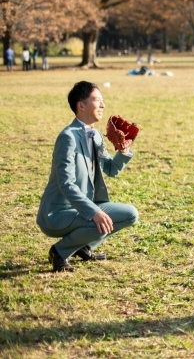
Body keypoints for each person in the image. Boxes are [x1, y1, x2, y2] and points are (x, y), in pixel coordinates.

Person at [36, 81, 138, 272]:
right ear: (81, 106)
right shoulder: (68, 137)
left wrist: (123, 152)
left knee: (130, 214)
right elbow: (66, 183)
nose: (103, 105)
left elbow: (110, 169)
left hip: (84, 209)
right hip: (59, 213)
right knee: (101, 218)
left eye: (102, 101)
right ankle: (59, 252)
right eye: (97, 100)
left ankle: (84, 246)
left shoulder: (96, 135)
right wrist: (94, 212)